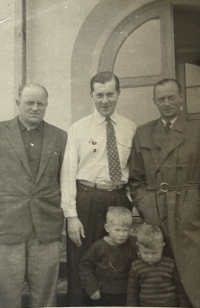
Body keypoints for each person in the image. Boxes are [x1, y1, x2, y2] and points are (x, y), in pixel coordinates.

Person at [60, 71, 136, 306]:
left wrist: (130, 202)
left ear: (118, 94)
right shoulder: (79, 129)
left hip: (118, 198)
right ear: (91, 95)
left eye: (110, 94)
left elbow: (134, 170)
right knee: (81, 260)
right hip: (87, 199)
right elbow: (68, 174)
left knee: (119, 260)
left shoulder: (130, 127)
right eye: (99, 95)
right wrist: (71, 216)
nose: (105, 100)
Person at [129, 78, 200, 307]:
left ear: (181, 98)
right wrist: (150, 209)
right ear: (154, 102)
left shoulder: (197, 129)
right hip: (157, 215)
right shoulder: (143, 133)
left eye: (171, 97)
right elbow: (136, 180)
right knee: (161, 283)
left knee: (193, 276)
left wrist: (195, 207)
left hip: (190, 215)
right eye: (161, 99)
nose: (167, 103)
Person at [0, 83, 67, 308]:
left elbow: (64, 180)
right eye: (30, 102)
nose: (35, 108)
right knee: (7, 296)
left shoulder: (60, 137)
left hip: (46, 228)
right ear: (18, 103)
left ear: (47, 105)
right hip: (7, 227)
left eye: (41, 103)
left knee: (45, 297)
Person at [79, 206, 137, 307]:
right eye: (117, 230)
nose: (121, 235)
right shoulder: (98, 247)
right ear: (107, 228)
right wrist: (92, 288)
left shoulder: (131, 246)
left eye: (126, 230)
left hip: (124, 294)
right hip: (102, 294)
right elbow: (85, 266)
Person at [127, 224, 190, 307]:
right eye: (145, 253)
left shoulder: (170, 265)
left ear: (162, 247)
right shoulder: (136, 267)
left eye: (155, 253)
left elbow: (181, 289)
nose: (150, 257)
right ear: (138, 247)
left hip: (170, 305)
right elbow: (132, 291)